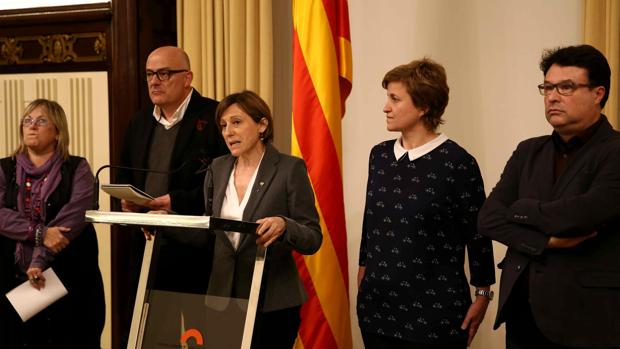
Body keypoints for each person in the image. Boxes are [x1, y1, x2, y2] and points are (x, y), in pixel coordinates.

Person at [478, 44, 620, 349]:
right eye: (548, 87)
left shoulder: (614, 151)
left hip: (586, 319)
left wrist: (521, 208)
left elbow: (583, 214)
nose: (552, 97)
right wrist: (544, 241)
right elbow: (488, 218)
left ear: (598, 93)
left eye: (566, 87)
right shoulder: (529, 150)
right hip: (521, 312)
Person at [357, 58, 496, 349]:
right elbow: (373, 220)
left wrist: (483, 294)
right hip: (377, 308)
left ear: (424, 106)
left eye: (395, 99)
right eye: (387, 97)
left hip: (435, 314)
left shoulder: (457, 163)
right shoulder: (379, 155)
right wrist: (364, 266)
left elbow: (478, 233)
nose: (385, 107)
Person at [115, 46, 228, 345]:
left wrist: (175, 202)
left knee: (200, 336)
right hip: (148, 245)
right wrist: (127, 200)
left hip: (196, 251)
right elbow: (124, 174)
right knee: (152, 335)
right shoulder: (139, 122)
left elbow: (224, 185)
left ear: (187, 77)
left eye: (164, 73)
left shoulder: (215, 117)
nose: (155, 81)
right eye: (150, 74)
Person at [207, 90, 322, 348]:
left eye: (236, 122)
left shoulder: (289, 168)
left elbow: (313, 237)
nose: (228, 132)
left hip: (272, 302)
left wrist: (284, 225)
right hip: (222, 299)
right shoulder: (217, 168)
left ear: (262, 125)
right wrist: (165, 222)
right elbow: (209, 229)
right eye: (223, 126)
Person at [0, 99, 105, 348]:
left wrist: (40, 259)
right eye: (27, 120)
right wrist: (39, 234)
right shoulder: (4, 168)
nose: (32, 126)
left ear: (58, 131)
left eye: (41, 120)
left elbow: (74, 216)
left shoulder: (77, 167)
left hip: (69, 278)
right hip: (12, 279)